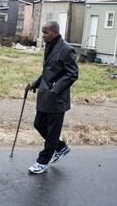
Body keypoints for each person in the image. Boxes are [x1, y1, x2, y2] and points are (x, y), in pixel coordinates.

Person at [26, 21, 79, 174]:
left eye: (46, 33)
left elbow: (73, 74)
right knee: (38, 124)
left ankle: (42, 162)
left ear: (55, 32)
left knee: (52, 132)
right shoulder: (50, 46)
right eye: (42, 33)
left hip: (56, 99)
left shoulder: (66, 50)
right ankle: (61, 147)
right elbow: (49, 70)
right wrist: (35, 83)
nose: (43, 36)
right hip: (44, 96)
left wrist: (55, 89)